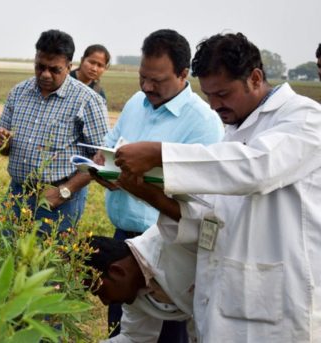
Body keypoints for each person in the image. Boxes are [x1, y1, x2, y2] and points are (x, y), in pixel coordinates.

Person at [112, 32, 321, 342]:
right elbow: (209, 216)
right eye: (208, 95)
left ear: (254, 77)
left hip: (277, 311)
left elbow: (255, 168)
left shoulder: (304, 120)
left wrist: (160, 154)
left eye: (222, 94)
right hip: (225, 302)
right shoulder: (233, 132)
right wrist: (148, 193)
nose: (214, 106)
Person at [92, 29, 223, 341]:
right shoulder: (137, 102)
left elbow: (205, 202)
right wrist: (102, 166)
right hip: (126, 240)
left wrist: (140, 184)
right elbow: (111, 145)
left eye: (158, 80)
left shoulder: (204, 123)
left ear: (183, 74)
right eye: (143, 77)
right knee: (125, 322)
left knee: (173, 327)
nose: (147, 86)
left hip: (174, 246)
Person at [0, 29, 109, 235]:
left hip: (60, 198)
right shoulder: (19, 92)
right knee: (7, 257)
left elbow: (100, 158)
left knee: (47, 262)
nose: (45, 74)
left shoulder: (88, 100)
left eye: (54, 69)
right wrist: (3, 142)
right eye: (40, 67)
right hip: (17, 193)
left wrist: (64, 192)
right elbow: (4, 150)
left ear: (69, 67)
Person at [84, 226, 196, 343]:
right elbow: (134, 338)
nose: (105, 302)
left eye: (101, 292)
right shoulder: (132, 288)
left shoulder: (174, 240)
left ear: (117, 271)